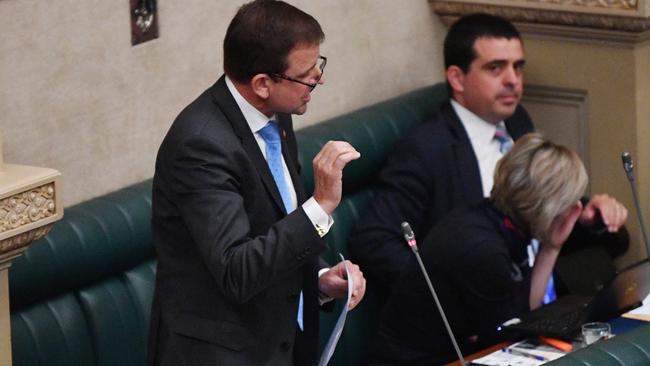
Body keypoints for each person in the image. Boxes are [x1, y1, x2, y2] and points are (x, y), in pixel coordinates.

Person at [349, 12, 627, 301]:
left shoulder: (518, 122)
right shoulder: (426, 149)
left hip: (542, 302)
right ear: (457, 78)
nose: (513, 81)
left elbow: (535, 218)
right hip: (476, 321)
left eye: (518, 67)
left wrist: (586, 218)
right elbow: (374, 240)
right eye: (496, 68)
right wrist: (449, 294)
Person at [148, 1, 366, 365]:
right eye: (307, 73)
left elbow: (273, 223)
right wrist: (321, 204)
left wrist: (320, 277)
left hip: (282, 342)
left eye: (318, 65)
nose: (319, 78)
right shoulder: (200, 145)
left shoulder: (276, 115)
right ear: (263, 84)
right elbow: (238, 270)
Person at [369, 133, 590, 365]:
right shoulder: (483, 249)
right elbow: (511, 331)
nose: (572, 211)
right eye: (568, 203)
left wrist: (552, 247)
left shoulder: (496, 219)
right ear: (548, 207)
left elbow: (524, 310)